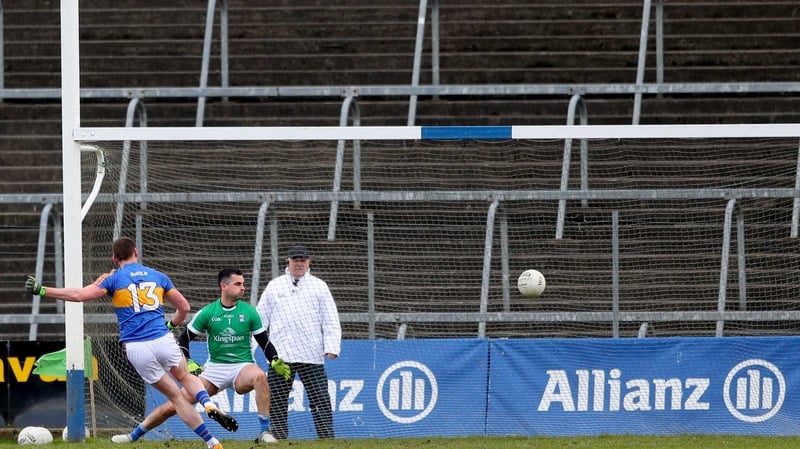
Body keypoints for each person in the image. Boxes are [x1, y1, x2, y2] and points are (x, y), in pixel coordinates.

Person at [24, 237, 236, 449]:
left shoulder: (112, 279)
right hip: (162, 339)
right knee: (185, 377)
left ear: (114, 258)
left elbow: (80, 296)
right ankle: (207, 404)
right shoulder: (158, 276)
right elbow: (184, 307)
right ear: (136, 252)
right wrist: (170, 325)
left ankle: (212, 442)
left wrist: (43, 290)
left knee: (176, 397)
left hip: (136, 347)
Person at [110, 268, 292, 444]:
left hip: (242, 367)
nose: (243, 287)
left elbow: (264, 341)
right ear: (224, 286)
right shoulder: (207, 313)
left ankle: (264, 432)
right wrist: (188, 362)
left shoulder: (250, 312)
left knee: (260, 376)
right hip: (214, 369)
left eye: (243, 284)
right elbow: (183, 340)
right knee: (175, 403)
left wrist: (274, 358)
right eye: (238, 284)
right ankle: (134, 435)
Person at [256, 245, 341, 439]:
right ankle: (277, 436)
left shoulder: (319, 286)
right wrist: (251, 348)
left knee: (320, 397)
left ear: (309, 262)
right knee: (276, 398)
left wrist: (332, 346)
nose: (299, 264)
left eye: (303, 260)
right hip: (280, 355)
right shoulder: (275, 285)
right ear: (288, 261)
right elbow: (260, 319)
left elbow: (330, 318)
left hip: (311, 353)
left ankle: (326, 437)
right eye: (295, 260)